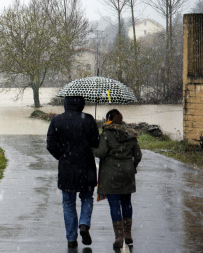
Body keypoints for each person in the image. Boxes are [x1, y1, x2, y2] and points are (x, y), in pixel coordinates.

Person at [47, 96, 100, 248]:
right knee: (87, 197)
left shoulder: (57, 120)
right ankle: (84, 224)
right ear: (82, 104)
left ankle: (71, 238)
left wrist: (62, 156)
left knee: (68, 202)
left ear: (65, 104)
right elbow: (96, 142)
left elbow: (50, 144)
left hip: (67, 168)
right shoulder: (88, 119)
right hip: (86, 166)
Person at [92, 109, 142, 249]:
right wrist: (131, 167)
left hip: (110, 175)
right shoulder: (131, 134)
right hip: (127, 173)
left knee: (115, 205)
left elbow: (101, 153)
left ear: (108, 119)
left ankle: (119, 236)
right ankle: (128, 234)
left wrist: (92, 148)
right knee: (127, 203)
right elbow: (137, 155)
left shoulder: (106, 134)